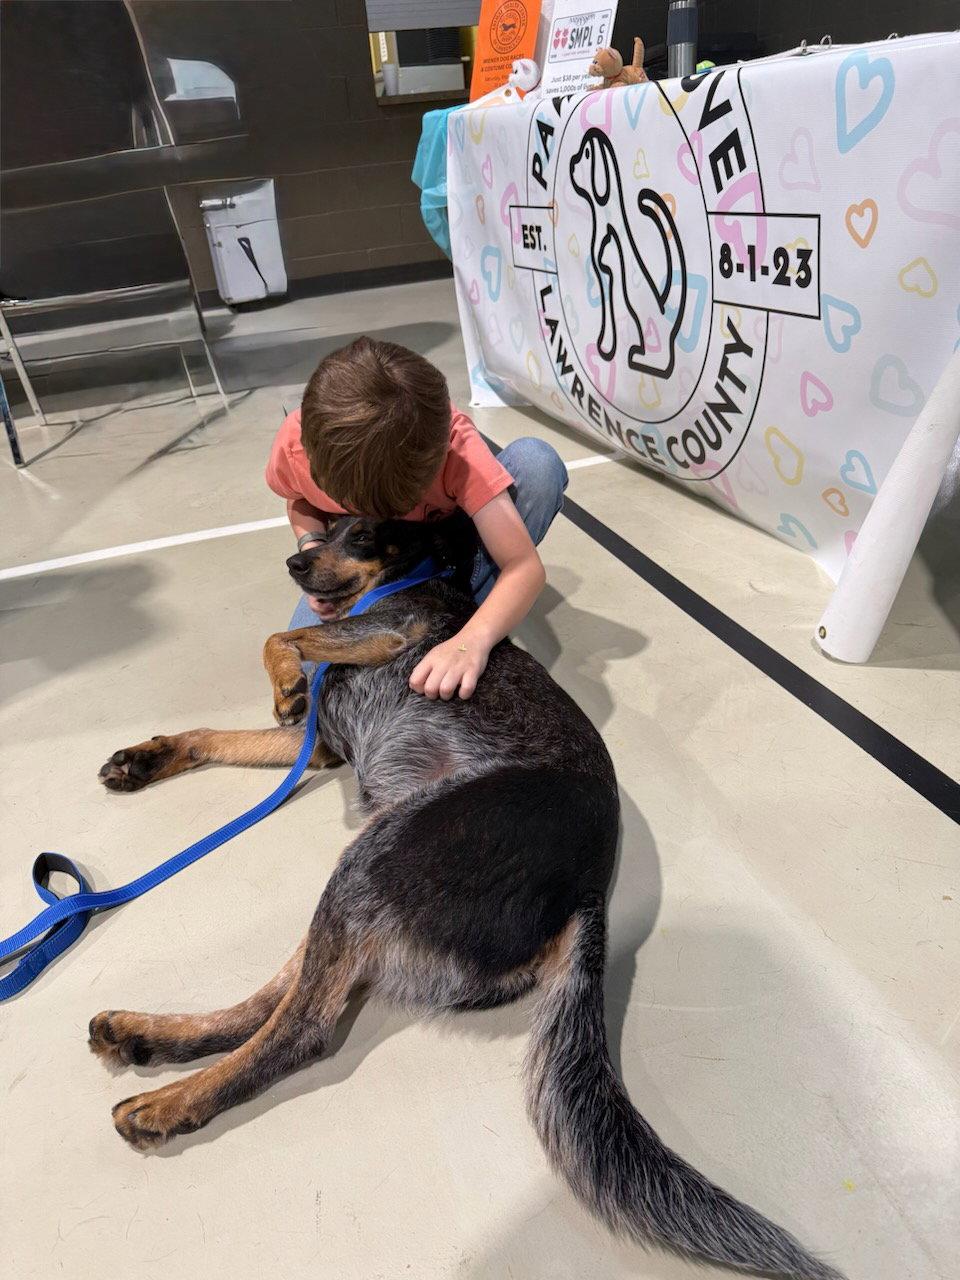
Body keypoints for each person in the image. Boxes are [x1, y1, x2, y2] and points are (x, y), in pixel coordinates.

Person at [266, 336, 568, 700]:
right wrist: (315, 547)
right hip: (369, 574)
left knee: (536, 463)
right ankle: (419, 629)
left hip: (449, 565)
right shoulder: (295, 447)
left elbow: (523, 567)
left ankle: (464, 619)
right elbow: (299, 500)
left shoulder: (458, 451)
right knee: (313, 687)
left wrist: (469, 643)